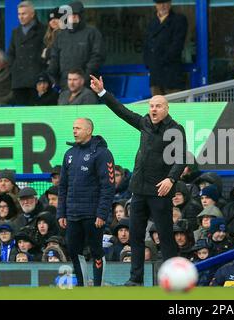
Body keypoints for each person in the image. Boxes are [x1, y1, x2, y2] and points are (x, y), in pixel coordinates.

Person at [90, 75, 186, 286]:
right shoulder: (144, 123)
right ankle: (136, 279)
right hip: (139, 190)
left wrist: (171, 179)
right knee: (135, 237)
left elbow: (181, 159)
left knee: (166, 237)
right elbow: (122, 111)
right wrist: (102, 93)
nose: (153, 109)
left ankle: (172, 279)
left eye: (158, 106)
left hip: (160, 191)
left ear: (166, 109)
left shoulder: (175, 129)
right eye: (151, 105)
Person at [57, 118, 115, 286]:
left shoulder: (102, 153)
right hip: (73, 214)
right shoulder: (69, 154)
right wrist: (61, 212)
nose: (74, 131)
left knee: (96, 251)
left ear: (89, 131)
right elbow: (63, 186)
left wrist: (102, 213)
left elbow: (108, 186)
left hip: (93, 213)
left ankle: (98, 289)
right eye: (73, 128)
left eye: (78, 128)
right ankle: (82, 288)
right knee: (74, 251)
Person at [48, 1, 105, 89]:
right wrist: (54, 77)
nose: (73, 17)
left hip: (87, 84)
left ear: (81, 16)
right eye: (70, 15)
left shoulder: (92, 33)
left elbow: (97, 56)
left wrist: (85, 77)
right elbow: (54, 57)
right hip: (64, 83)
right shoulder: (61, 35)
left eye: (76, 14)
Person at [143, 0, 188, 96]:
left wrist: (160, 60)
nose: (163, 6)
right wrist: (149, 64)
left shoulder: (179, 20)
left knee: (174, 107)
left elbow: (177, 46)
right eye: (159, 3)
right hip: (155, 75)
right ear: (156, 5)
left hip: (171, 75)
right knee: (156, 108)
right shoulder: (152, 23)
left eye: (165, 2)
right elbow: (146, 46)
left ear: (170, 3)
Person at [7, 1, 45, 105]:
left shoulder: (42, 30)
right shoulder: (15, 32)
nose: (21, 17)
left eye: (24, 14)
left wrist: (42, 73)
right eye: (19, 14)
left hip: (36, 79)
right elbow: (11, 53)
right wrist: (13, 68)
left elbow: (46, 53)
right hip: (19, 80)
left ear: (32, 14)